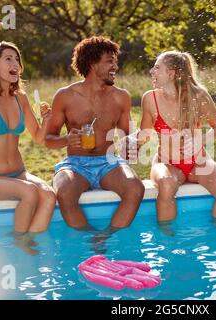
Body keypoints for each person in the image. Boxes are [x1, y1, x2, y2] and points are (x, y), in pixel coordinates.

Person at [0, 8, 56, 252]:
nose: (15, 64)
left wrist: (47, 119)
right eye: (8, 59)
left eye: (17, 59)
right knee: (30, 193)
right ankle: (21, 245)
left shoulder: (20, 98)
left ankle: (28, 241)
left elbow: (39, 138)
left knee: (49, 196)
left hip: (18, 173)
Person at [45, 36, 145, 234]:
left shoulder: (121, 97)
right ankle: (90, 238)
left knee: (136, 189)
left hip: (108, 162)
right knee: (64, 193)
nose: (115, 66)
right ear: (92, 64)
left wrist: (133, 144)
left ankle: (105, 237)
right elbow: (48, 139)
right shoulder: (65, 96)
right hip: (75, 164)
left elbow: (128, 135)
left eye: (115, 61)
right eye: (109, 61)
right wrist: (66, 140)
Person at [140, 51, 216, 223]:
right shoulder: (150, 99)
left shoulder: (198, 96)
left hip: (198, 162)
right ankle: (168, 242)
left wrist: (201, 140)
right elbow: (144, 133)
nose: (152, 71)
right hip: (166, 162)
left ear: (171, 73)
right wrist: (132, 142)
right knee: (167, 185)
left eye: (157, 67)